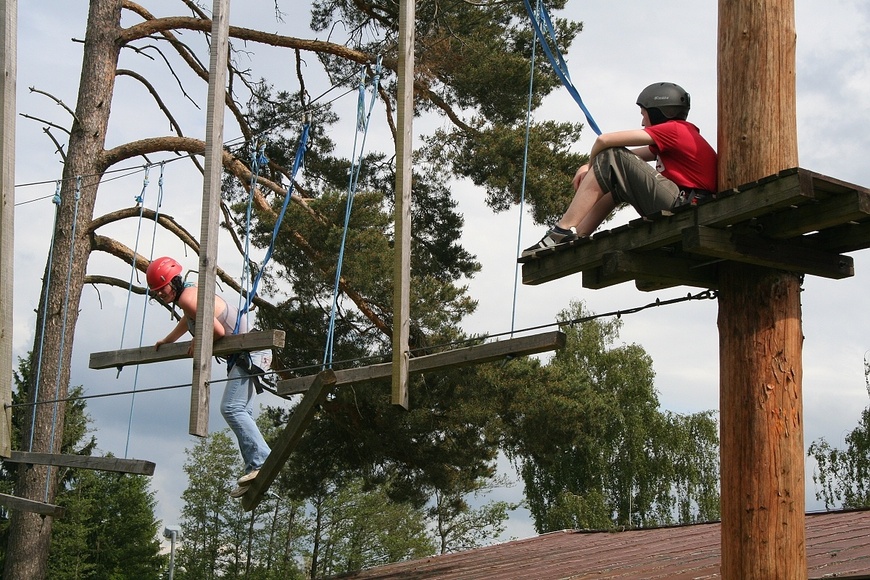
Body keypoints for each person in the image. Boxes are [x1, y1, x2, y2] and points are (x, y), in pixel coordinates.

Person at [521, 82, 717, 258]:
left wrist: (590, 166)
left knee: (611, 155)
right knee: (617, 178)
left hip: (686, 206)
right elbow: (630, 161)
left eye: (644, 114)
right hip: (687, 204)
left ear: (658, 112)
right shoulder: (678, 136)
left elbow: (604, 142)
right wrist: (590, 167)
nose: (642, 122)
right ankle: (577, 235)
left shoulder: (674, 130)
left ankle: (560, 232)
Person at [147, 256, 272, 499]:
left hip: (251, 351)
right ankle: (255, 467)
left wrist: (199, 339)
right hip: (247, 353)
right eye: (157, 293)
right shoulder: (189, 296)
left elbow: (217, 331)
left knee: (231, 408)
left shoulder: (187, 298)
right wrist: (169, 339)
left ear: (173, 281)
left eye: (162, 290)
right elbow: (190, 319)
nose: (161, 295)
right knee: (241, 412)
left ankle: (261, 460)